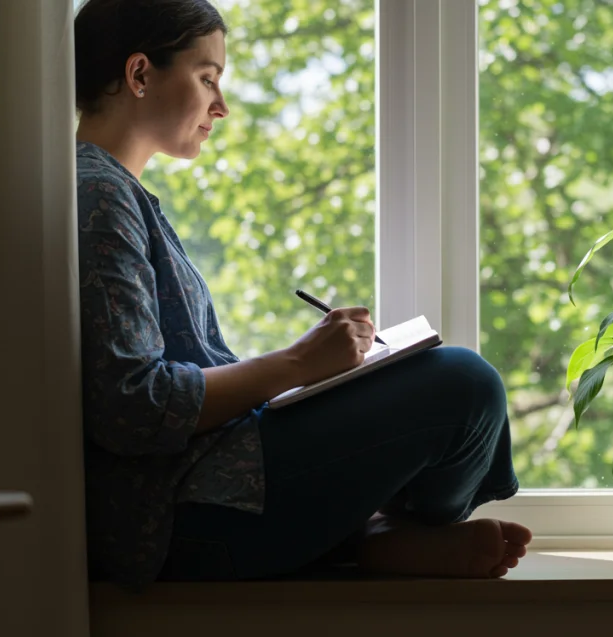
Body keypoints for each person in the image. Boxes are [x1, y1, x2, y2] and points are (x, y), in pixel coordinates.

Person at [73, 0, 531, 591]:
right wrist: (297, 363)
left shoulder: (113, 192)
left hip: (215, 480)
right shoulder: (100, 195)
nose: (221, 105)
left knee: (456, 378)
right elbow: (132, 406)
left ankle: (374, 533)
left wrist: (313, 375)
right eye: (207, 78)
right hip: (187, 511)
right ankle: (385, 534)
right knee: (464, 382)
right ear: (139, 74)